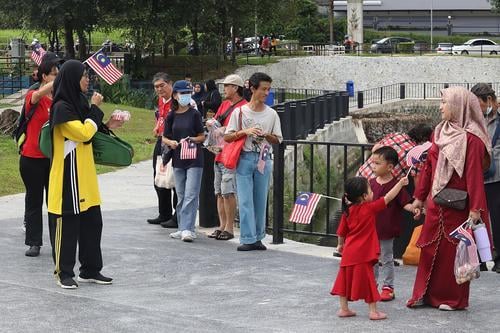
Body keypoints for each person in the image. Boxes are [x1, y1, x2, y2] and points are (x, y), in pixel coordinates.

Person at [407, 87, 491, 310]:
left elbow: (474, 176)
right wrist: (419, 198)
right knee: (429, 249)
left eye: (444, 102)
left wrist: (476, 208)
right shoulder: (438, 132)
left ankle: (453, 299)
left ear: (457, 105)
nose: (440, 106)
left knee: (455, 252)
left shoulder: (473, 139)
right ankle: (423, 294)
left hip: (458, 206)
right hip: (436, 204)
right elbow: (428, 168)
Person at [47, 60, 121, 289]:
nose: (88, 79)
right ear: (71, 79)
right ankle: (63, 272)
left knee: (92, 224)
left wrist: (108, 124)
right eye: (84, 76)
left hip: (85, 177)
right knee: (66, 227)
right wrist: (96, 109)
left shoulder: (78, 103)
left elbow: (93, 130)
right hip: (67, 179)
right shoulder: (61, 107)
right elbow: (83, 133)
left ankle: (90, 269)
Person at [331, 176, 410, 320]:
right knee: (369, 282)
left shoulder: (347, 212)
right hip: (363, 253)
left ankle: (344, 309)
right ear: (364, 196)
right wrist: (400, 183)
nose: (373, 192)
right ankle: (373, 312)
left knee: (344, 280)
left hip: (349, 252)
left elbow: (341, 233)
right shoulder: (370, 208)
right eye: (370, 190)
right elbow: (388, 197)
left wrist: (340, 245)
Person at [224, 72, 282, 251]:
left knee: (260, 198)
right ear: (253, 89)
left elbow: (278, 139)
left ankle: (257, 236)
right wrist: (245, 132)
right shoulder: (239, 112)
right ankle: (248, 238)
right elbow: (227, 137)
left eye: (268, 89)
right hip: (245, 157)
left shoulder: (271, 114)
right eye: (263, 89)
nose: (266, 93)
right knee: (245, 199)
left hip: (264, 157)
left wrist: (266, 135)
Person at [20, 52, 62, 257]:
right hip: (31, 158)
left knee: (55, 201)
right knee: (34, 200)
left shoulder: (60, 99)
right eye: (55, 74)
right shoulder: (33, 95)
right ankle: (34, 242)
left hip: (53, 158)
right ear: (44, 76)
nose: (58, 76)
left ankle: (58, 241)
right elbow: (36, 96)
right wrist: (53, 84)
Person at [369, 146, 415, 301]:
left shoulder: (396, 185)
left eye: (377, 163)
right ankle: (372, 284)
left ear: (389, 167)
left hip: (387, 229)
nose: (373, 166)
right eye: (372, 163)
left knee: (387, 258)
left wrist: (414, 209)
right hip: (371, 229)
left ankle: (388, 287)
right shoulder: (370, 184)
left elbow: (405, 203)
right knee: (373, 258)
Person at [163, 80, 205, 242]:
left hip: (194, 158)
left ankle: (188, 228)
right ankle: (182, 227)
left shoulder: (195, 114)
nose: (186, 96)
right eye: (183, 93)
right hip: (178, 158)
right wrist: (171, 142)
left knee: (191, 194)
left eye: (188, 93)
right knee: (181, 195)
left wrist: (192, 139)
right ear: (175, 95)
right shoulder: (171, 115)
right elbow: (165, 137)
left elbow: (202, 136)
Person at [207, 74, 247, 241]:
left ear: (235, 88)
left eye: (227, 86)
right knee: (219, 192)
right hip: (219, 152)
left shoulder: (244, 107)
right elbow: (216, 121)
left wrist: (223, 129)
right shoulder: (224, 105)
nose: (224, 89)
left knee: (228, 191)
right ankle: (222, 225)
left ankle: (229, 227)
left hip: (231, 153)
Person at [471, 83, 500, 273]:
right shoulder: (472, 121)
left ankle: (498, 258)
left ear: (489, 100)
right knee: (476, 218)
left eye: (477, 104)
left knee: (497, 218)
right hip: (476, 176)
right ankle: (480, 258)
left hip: (496, 176)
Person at [147, 72, 178, 228]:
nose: (159, 89)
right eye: (156, 87)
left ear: (170, 83)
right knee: (158, 175)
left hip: (174, 141)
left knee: (175, 178)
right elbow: (161, 117)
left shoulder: (178, 100)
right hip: (161, 140)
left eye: (162, 86)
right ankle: (164, 212)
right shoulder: (161, 100)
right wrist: (157, 127)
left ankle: (177, 215)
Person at [357, 124, 433, 182]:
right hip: (377, 186)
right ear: (424, 139)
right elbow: (417, 178)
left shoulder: (396, 135)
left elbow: (375, 148)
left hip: (361, 175)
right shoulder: (416, 153)